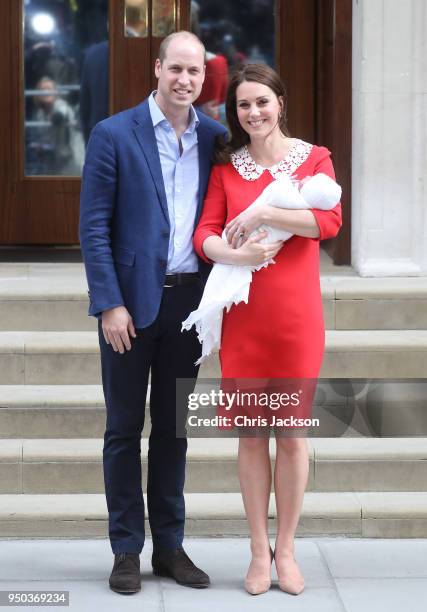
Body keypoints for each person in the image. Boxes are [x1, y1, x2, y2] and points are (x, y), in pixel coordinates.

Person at [79, 31, 226, 595]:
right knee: (122, 429)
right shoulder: (114, 134)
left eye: (194, 72)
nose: (185, 80)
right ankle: (124, 549)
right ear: (158, 68)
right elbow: (94, 228)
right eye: (176, 69)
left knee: (173, 429)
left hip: (189, 306)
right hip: (129, 309)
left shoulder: (215, 137)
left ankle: (169, 546)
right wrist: (109, 303)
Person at [193, 64, 342, 596]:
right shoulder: (225, 170)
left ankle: (288, 551)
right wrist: (238, 251)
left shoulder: (313, 159)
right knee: (252, 435)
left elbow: (328, 222)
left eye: (262, 102)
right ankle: (258, 550)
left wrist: (266, 215)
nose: (253, 113)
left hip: (297, 320)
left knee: (294, 436)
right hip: (246, 320)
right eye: (242, 106)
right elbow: (204, 235)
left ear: (280, 101)